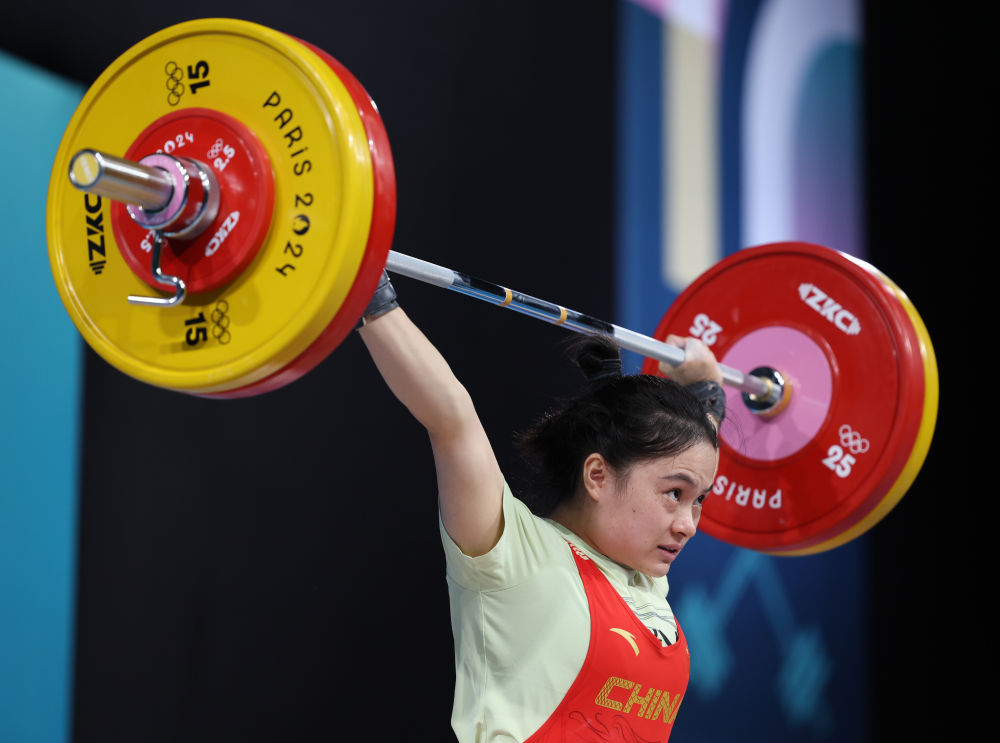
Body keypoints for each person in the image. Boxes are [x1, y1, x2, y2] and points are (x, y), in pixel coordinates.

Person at [358, 272, 725, 742]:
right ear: (597, 476)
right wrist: (369, 290)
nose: (689, 524)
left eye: (699, 501)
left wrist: (706, 395)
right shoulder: (514, 554)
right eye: (674, 495)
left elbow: (688, 461)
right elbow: (451, 415)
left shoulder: (644, 581)